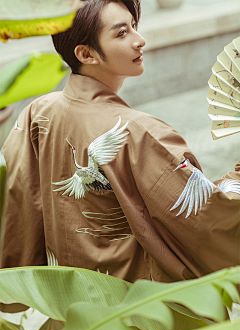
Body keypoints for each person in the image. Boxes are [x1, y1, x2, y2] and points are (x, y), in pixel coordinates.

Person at [1, 0, 239, 280]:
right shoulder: (137, 132)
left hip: (73, 304)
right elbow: (209, 222)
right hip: (139, 307)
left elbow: (19, 200)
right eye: (121, 33)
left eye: (134, 26)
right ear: (86, 54)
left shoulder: (38, 112)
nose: (140, 40)